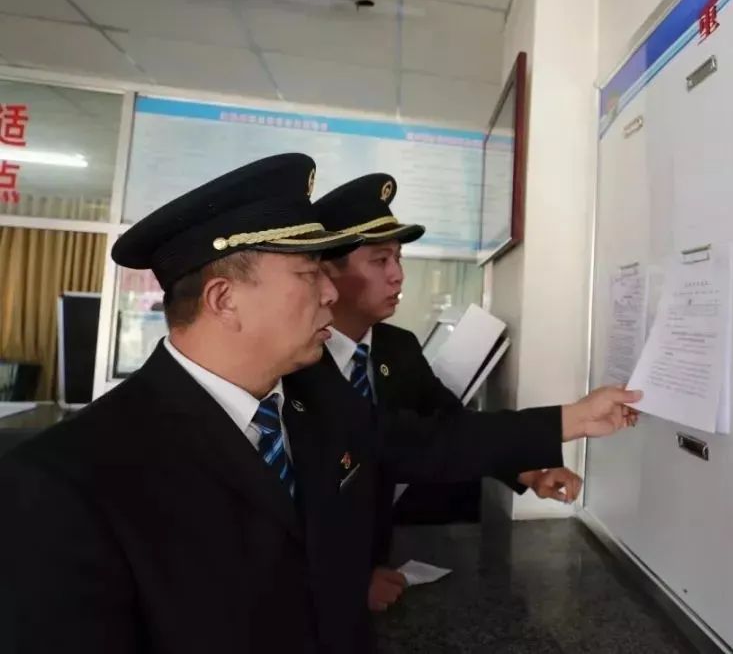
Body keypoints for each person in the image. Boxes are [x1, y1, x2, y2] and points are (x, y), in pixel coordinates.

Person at [0, 153, 639, 654]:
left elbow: (426, 442)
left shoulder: (313, 402)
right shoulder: (67, 480)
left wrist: (573, 419)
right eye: (309, 276)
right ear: (224, 300)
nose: (330, 294)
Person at [313, 173, 629, 613]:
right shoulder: (298, 365)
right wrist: (346, 583)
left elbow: (450, 427)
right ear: (326, 273)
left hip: (378, 558)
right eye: (380, 260)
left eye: (398, 258)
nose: (398, 275)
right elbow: (394, 450)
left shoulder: (397, 347)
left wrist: (528, 472)